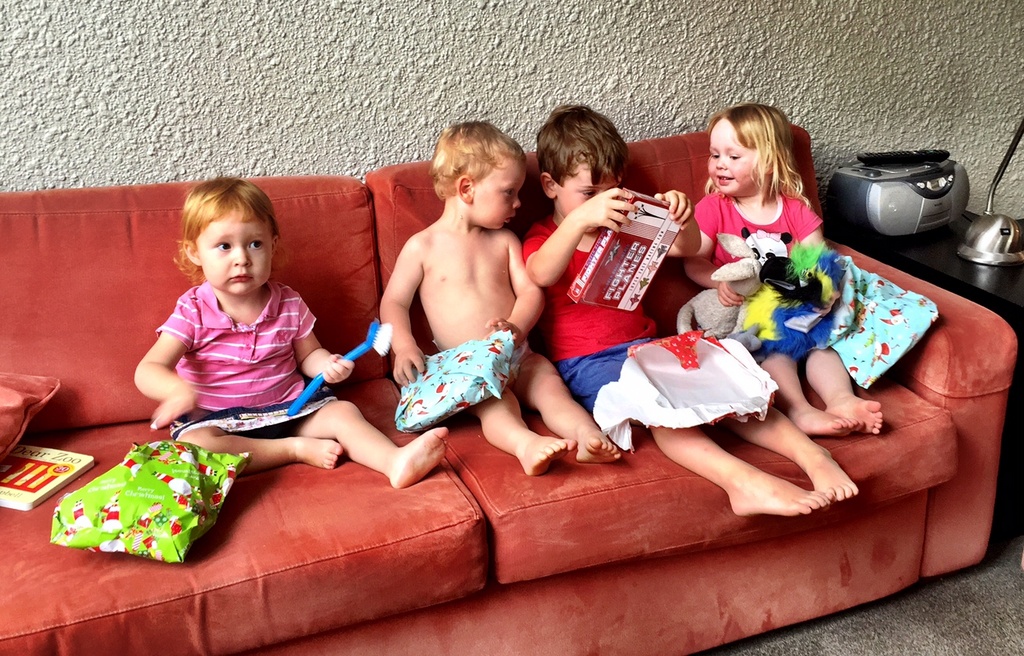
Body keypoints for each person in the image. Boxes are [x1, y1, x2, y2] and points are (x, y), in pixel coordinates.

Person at [523, 104, 858, 516]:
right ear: (550, 185)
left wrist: (679, 218)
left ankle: (813, 456)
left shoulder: (626, 226)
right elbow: (540, 273)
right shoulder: (543, 236)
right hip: (588, 361)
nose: (604, 205)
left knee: (727, 384)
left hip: (649, 346)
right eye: (590, 195)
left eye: (612, 191)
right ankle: (743, 483)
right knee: (664, 413)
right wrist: (579, 221)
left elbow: (685, 249)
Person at [135, 177, 447, 486]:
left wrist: (326, 365)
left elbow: (309, 355)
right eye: (224, 246)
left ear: (272, 246)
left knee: (343, 412)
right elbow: (148, 369)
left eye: (255, 244)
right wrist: (176, 391)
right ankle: (292, 450)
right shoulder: (193, 310)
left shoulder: (288, 302)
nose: (242, 258)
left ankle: (394, 461)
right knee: (196, 447)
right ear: (194, 252)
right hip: (220, 422)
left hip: (291, 410)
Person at [380, 121, 621, 476]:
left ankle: (587, 436)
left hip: (519, 354)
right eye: (509, 192)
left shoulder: (505, 241)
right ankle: (526, 445)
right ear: (467, 189)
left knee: (551, 388)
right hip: (470, 369)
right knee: (496, 406)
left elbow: (530, 292)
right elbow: (394, 302)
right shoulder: (422, 247)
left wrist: (516, 328)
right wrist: (403, 347)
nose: (518, 202)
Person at [682, 102, 883, 437]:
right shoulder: (714, 207)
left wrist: (826, 290)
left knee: (822, 347)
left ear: (770, 161)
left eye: (733, 156)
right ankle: (800, 410)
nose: (719, 164)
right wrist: (718, 283)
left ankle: (841, 399)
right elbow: (693, 261)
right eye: (714, 154)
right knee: (775, 354)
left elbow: (817, 258)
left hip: (795, 306)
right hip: (752, 314)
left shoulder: (794, 208)